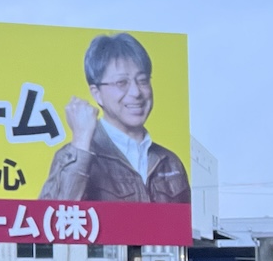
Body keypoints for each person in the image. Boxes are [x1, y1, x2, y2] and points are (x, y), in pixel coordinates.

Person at [39, 32, 190, 203]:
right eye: (121, 83)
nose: (136, 92)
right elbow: (53, 216)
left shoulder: (170, 162)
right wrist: (81, 140)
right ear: (97, 94)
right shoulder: (72, 157)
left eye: (142, 80)